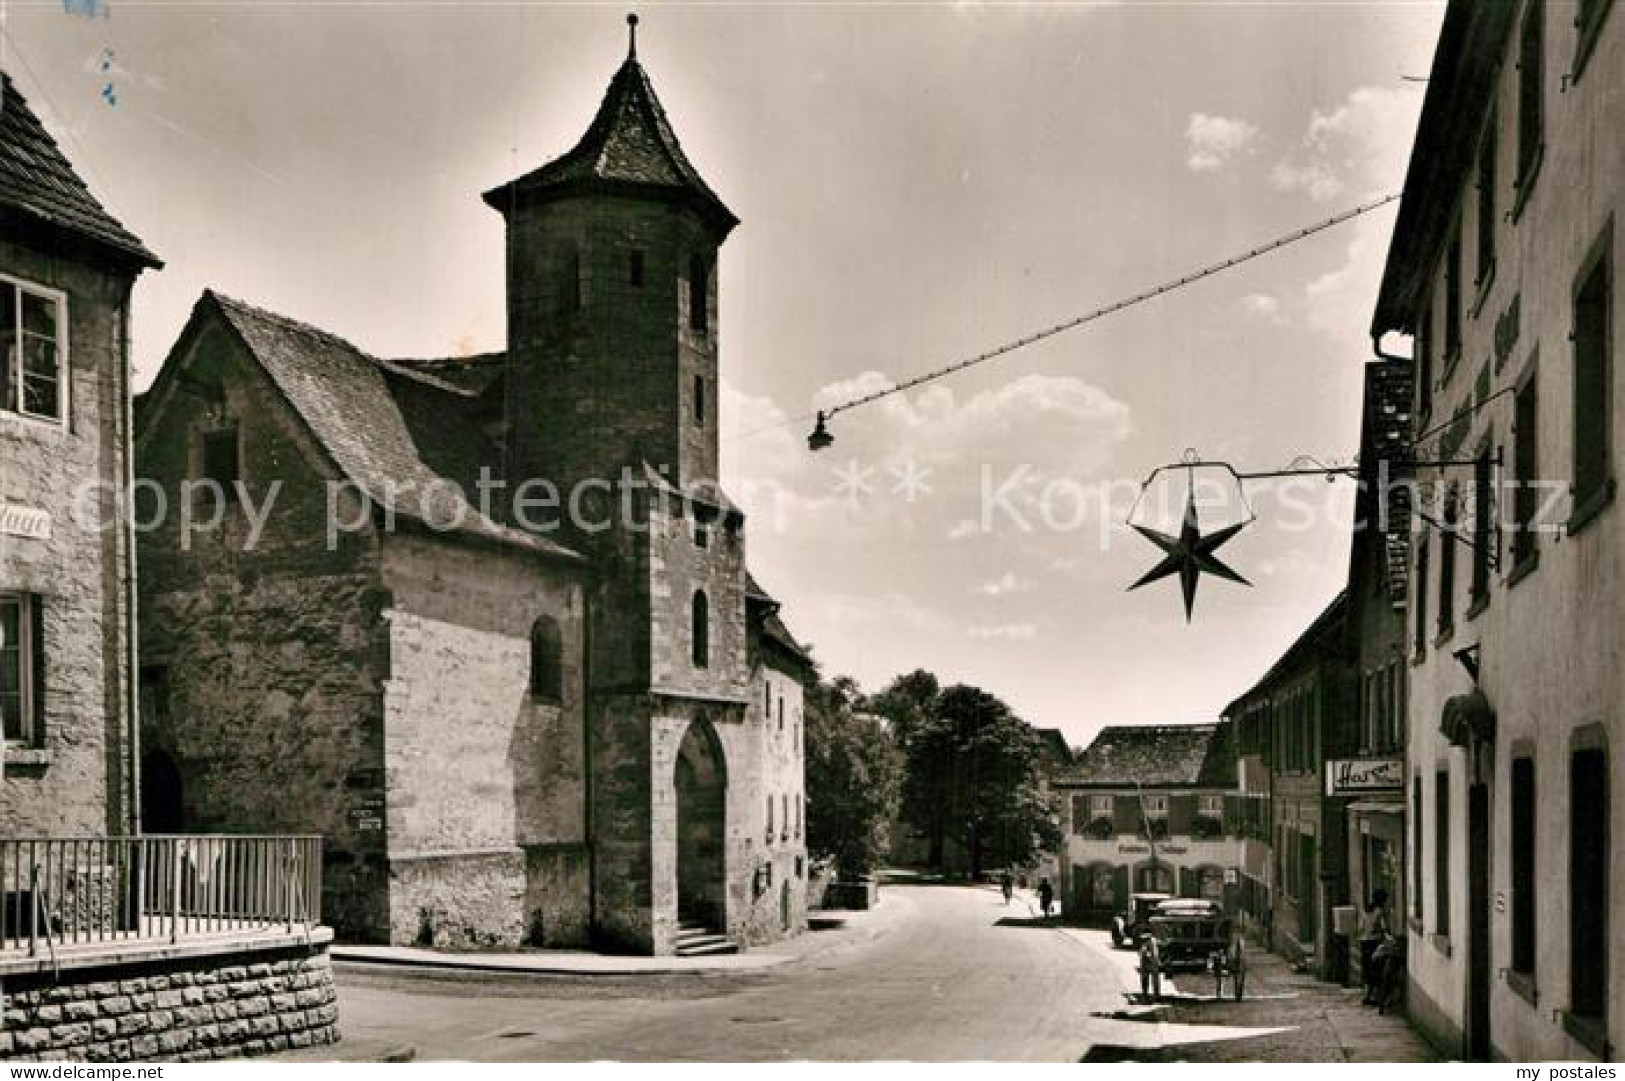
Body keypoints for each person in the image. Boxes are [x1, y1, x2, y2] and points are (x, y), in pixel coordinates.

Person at [1359, 889, 1392, 1005]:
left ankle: (1367, 995)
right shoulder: (1380, 911)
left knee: (1367, 969)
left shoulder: (1365, 911)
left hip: (1364, 942)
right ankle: (1376, 996)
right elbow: (1384, 928)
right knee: (1377, 969)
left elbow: (1361, 926)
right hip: (1375, 943)